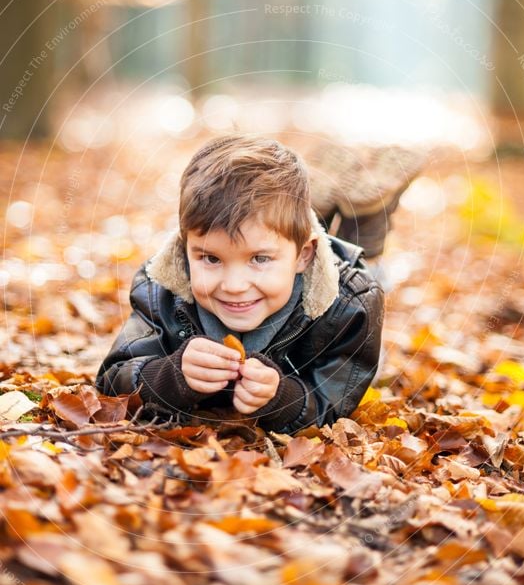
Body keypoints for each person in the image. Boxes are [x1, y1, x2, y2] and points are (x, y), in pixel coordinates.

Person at [95, 135, 384, 432]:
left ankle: (365, 221)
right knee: (278, 228)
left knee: (364, 260)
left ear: (304, 256)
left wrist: (283, 398)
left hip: (328, 282)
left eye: (259, 259)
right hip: (286, 241)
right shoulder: (162, 288)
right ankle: (313, 211)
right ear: (185, 250)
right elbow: (112, 379)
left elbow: (334, 403)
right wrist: (169, 376)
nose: (234, 286)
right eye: (211, 258)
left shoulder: (351, 304)